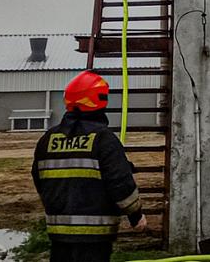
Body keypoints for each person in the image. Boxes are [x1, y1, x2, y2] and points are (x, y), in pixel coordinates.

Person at [32, 70, 145, 262]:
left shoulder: (48, 139)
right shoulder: (103, 139)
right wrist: (136, 215)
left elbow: (39, 180)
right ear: (99, 100)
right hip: (95, 237)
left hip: (58, 234)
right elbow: (120, 182)